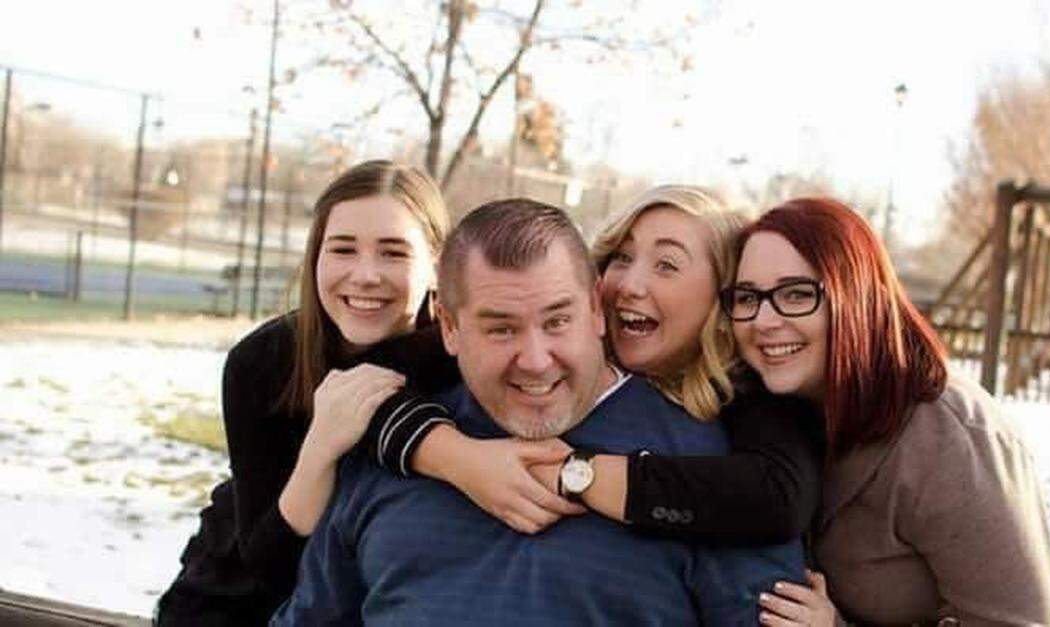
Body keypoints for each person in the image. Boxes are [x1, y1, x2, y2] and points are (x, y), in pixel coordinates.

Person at [271, 199, 807, 625]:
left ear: (597, 309)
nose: (534, 360)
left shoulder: (709, 467)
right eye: (501, 328)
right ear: (450, 330)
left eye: (557, 322)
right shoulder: (393, 449)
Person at [376, 186, 823, 544]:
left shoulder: (750, 392)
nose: (628, 284)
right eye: (622, 258)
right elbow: (367, 379)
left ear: (723, 295)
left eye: (666, 265)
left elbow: (778, 498)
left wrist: (571, 474)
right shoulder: (545, 342)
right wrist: (456, 458)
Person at [722, 198, 1050, 625]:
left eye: (797, 293)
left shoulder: (949, 436)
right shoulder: (772, 410)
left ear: (854, 297)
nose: (763, 319)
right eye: (747, 297)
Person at [155, 160, 453, 626]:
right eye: (343, 249)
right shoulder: (262, 361)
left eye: (394, 253)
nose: (365, 274)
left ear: (438, 265)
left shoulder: (461, 358)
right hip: (240, 600)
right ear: (317, 256)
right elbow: (269, 565)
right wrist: (320, 448)